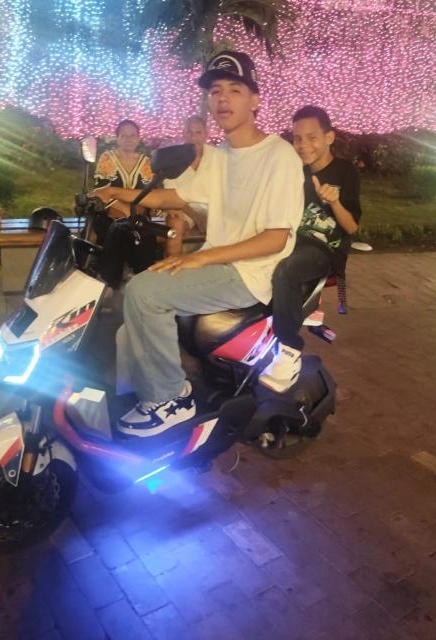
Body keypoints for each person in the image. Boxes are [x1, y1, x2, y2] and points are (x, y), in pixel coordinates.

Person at [92, 50, 304, 437]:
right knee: (139, 287)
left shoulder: (279, 156)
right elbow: (175, 196)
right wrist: (117, 193)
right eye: (216, 91)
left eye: (235, 90)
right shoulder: (219, 157)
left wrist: (201, 259)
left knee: (144, 293)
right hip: (220, 264)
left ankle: (170, 399)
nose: (223, 99)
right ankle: (147, 388)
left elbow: (276, 238)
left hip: (249, 274)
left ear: (255, 100)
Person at [259, 105, 362, 393]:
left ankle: (289, 350)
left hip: (325, 249)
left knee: (287, 271)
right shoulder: (295, 171)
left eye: (312, 137)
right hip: (292, 241)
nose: (303, 145)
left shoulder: (345, 171)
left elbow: (351, 227)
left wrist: (334, 202)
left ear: (329, 137)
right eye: (297, 138)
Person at [93, 120, 156, 286]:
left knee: (143, 232)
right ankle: (111, 282)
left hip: (139, 216)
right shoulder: (107, 158)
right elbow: (101, 192)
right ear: (117, 138)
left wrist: (134, 213)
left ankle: (142, 280)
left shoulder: (147, 162)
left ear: (139, 138)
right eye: (124, 135)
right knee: (116, 230)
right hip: (112, 214)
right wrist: (125, 210)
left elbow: (151, 194)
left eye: (133, 135)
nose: (129, 139)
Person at [164, 115, 212, 257]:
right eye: (189, 132)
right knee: (175, 223)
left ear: (206, 134)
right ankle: (173, 266)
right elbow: (171, 195)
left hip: (212, 208)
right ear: (183, 134)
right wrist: (197, 217)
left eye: (198, 132)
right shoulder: (173, 158)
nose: (193, 137)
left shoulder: (217, 157)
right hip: (184, 208)